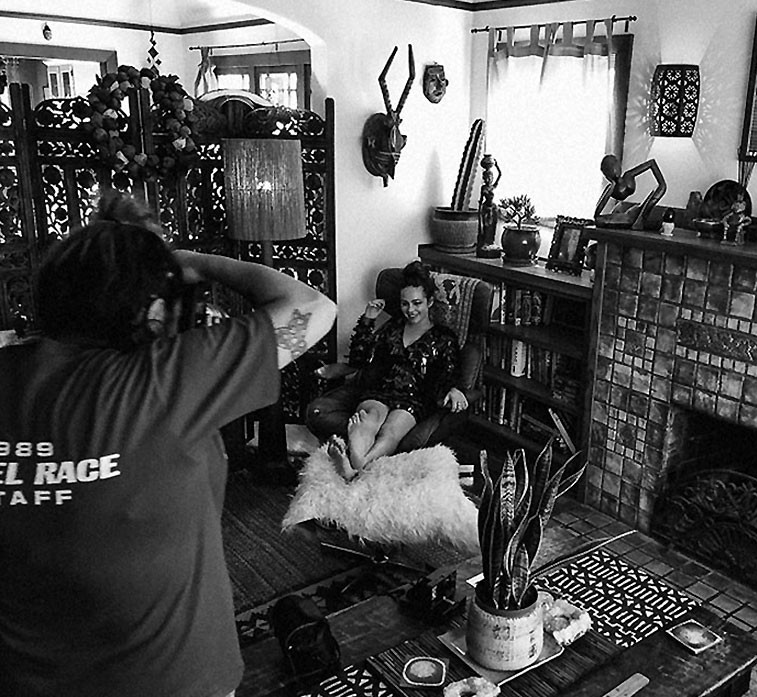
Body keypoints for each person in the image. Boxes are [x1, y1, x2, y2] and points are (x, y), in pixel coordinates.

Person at [0, 190, 336, 697]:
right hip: (174, 678)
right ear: (151, 309)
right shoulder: (159, 383)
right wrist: (196, 262)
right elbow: (314, 308)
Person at [330, 261, 466, 479]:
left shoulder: (444, 338)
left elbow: (451, 372)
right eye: (405, 304)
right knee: (369, 419)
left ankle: (356, 465)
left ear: (430, 301)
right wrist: (368, 319)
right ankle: (358, 460)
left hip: (412, 400)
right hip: (380, 392)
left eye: (417, 303)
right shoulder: (392, 328)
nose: (410, 310)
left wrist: (454, 389)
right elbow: (359, 359)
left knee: (391, 430)